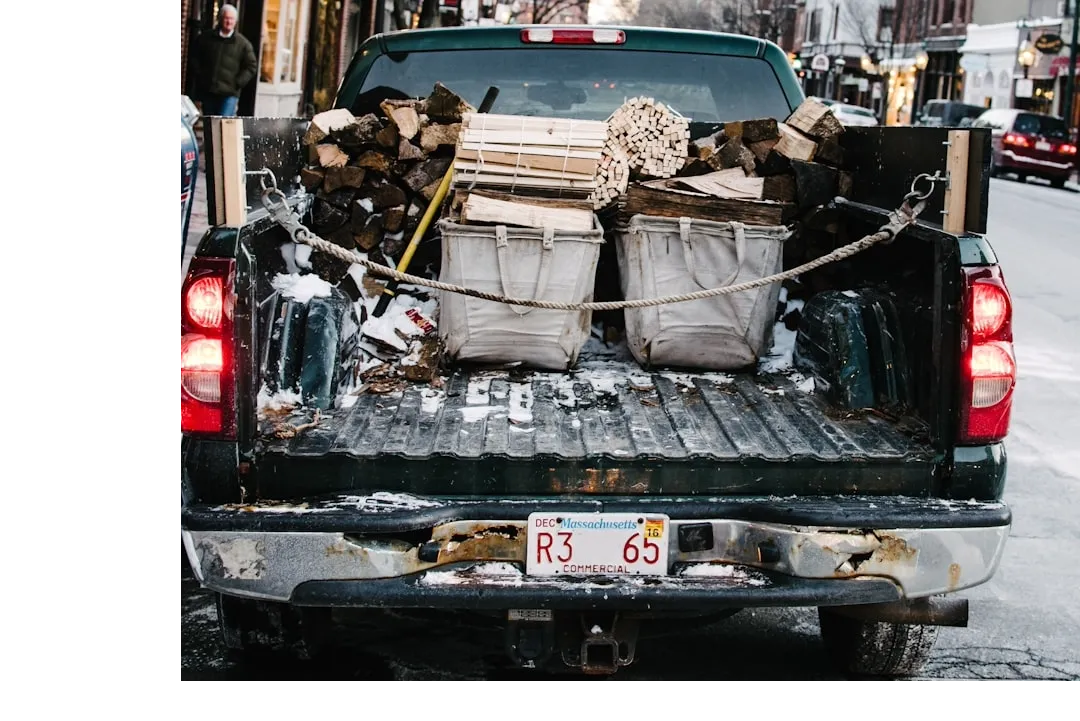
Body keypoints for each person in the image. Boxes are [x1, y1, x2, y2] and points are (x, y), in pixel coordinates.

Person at [187, 4, 257, 117]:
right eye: (226, 18)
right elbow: (194, 57)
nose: (229, 22)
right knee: (209, 123)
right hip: (208, 91)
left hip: (229, 94)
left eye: (232, 19)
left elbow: (251, 66)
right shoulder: (206, 38)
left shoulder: (243, 43)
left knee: (223, 124)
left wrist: (238, 82)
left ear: (236, 21)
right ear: (220, 19)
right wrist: (201, 76)